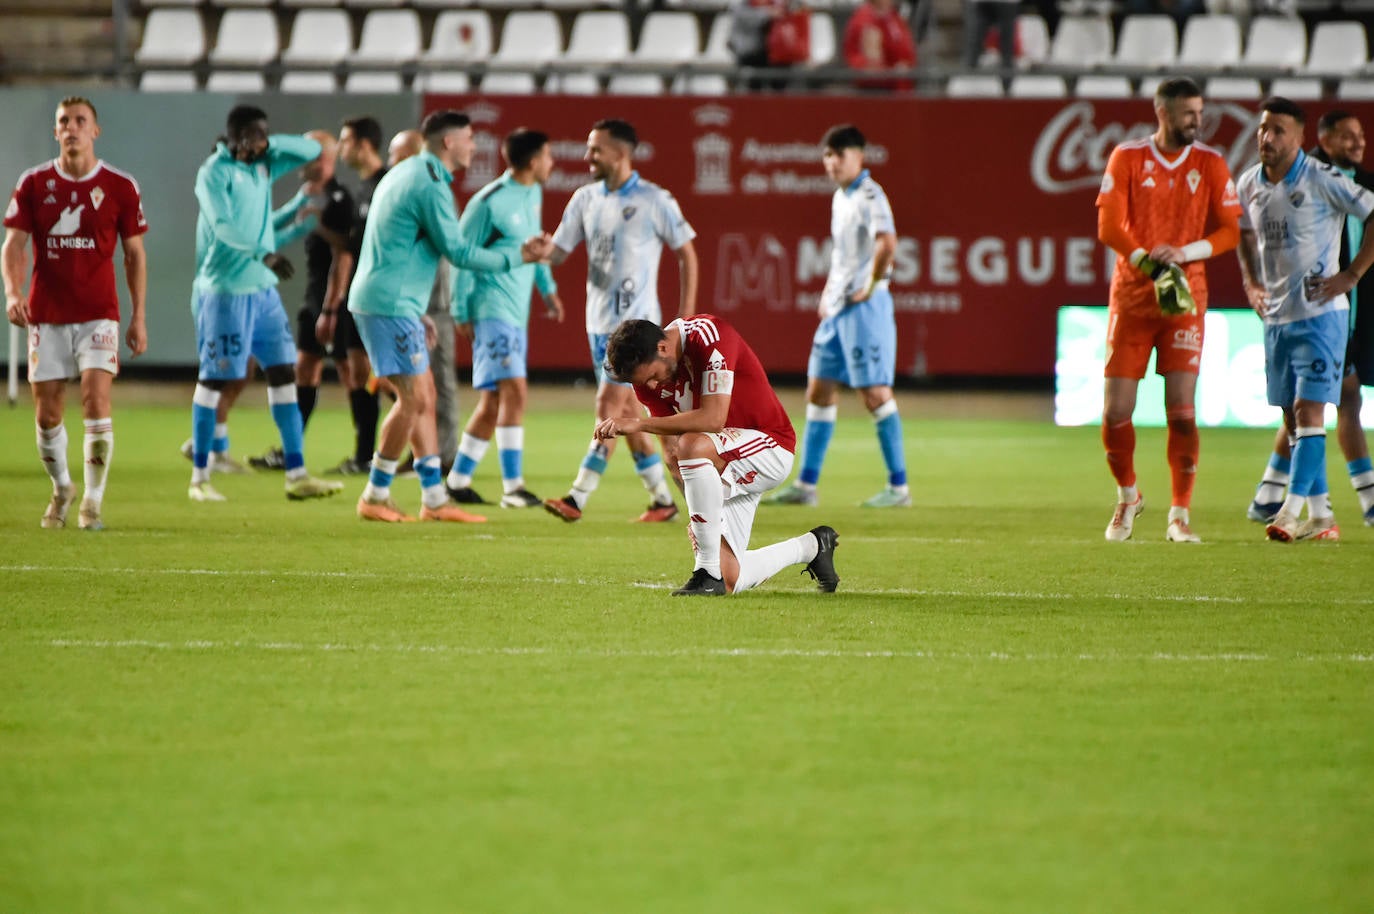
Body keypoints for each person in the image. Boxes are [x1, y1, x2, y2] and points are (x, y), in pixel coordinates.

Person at [349, 109, 551, 523]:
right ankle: (374, 494)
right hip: (388, 304)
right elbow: (457, 252)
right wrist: (519, 256)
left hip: (395, 302)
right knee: (414, 400)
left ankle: (434, 500)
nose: (475, 146)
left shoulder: (408, 173)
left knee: (426, 398)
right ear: (448, 143)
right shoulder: (429, 184)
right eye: (470, 138)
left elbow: (396, 247)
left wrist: (417, 309)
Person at [1092, 77, 1241, 543]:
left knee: (1181, 411)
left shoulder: (1211, 163)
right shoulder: (1128, 157)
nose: (1197, 121)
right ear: (1163, 113)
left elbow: (1230, 232)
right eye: (1188, 114)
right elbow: (1108, 226)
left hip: (1185, 299)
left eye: (1199, 112)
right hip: (1134, 298)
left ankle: (1179, 514)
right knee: (1116, 411)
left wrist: (1184, 252)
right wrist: (1146, 263)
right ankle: (1128, 496)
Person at [597, 316, 840, 596]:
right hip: (723, 459)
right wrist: (697, 515)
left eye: (652, 376)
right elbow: (672, 457)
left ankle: (705, 571)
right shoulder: (645, 381)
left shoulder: (709, 337)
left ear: (663, 348)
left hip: (770, 446)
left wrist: (638, 423)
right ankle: (812, 546)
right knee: (729, 578)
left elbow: (713, 419)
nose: (651, 387)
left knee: (691, 444)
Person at [541, 119, 698, 524]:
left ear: (621, 154)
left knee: (608, 405)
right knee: (629, 414)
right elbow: (558, 252)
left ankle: (577, 497)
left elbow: (688, 253)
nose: (587, 156)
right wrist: (539, 249)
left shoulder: (654, 199)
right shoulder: (584, 198)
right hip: (596, 325)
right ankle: (663, 501)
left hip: (635, 330)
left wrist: (686, 314)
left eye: (596, 150)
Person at [2, 95, 148, 530]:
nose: (71, 128)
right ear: (55, 132)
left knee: (95, 399)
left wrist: (138, 316)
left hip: (99, 314)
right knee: (47, 414)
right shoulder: (34, 183)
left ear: (95, 130)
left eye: (80, 120)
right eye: (63, 121)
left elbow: (135, 254)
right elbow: (13, 244)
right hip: (45, 315)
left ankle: (93, 502)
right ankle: (62, 486)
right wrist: (12, 293)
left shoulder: (121, 187)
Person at [187, 104, 343, 503]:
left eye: (265, 135)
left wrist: (294, 213)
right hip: (225, 291)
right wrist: (264, 255)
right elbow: (225, 228)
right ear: (235, 136)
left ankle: (296, 473)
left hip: (262, 292)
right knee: (215, 378)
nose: (262, 143)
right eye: (254, 135)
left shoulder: (262, 164)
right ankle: (200, 478)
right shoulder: (213, 173)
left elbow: (309, 152)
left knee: (283, 374)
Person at [1235, 96, 1374, 542]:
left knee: (1307, 410)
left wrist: (1351, 274)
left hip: (1323, 315)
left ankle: (1288, 513)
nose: (1267, 137)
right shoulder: (1248, 184)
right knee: (1293, 421)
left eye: (1278, 130)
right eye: (1262, 129)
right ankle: (1321, 517)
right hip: (1277, 319)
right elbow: (1241, 230)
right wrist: (1251, 283)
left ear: (1298, 139)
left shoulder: (1321, 177)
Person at [769, 125, 909, 509]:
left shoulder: (869, 194)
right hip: (838, 308)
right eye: (827, 155)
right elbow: (844, 256)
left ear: (859, 157)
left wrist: (871, 283)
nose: (831, 163)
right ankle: (806, 487)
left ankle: (899, 489)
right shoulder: (841, 196)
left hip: (865, 307)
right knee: (819, 389)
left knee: (875, 393)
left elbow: (888, 242)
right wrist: (830, 295)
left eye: (839, 155)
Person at [445, 128, 565, 508]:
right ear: (533, 161)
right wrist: (460, 310)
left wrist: (548, 289)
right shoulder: (488, 203)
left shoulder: (533, 192)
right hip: (490, 307)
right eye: (548, 156)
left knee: (494, 400)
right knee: (515, 390)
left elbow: (534, 246)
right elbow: (461, 256)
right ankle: (513, 487)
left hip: (516, 311)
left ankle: (458, 480)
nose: (552, 163)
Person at [269, 115, 386, 476]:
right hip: (316, 296)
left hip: (342, 300)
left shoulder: (340, 198)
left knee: (358, 372)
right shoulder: (318, 195)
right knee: (306, 369)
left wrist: (332, 309)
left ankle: (367, 453)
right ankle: (292, 450)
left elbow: (345, 254)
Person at [179, 181, 320, 476]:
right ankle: (210, 453)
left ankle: (215, 446)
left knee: (242, 372)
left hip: (237, 294)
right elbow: (255, 244)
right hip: (221, 298)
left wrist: (296, 205)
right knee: (223, 374)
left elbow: (263, 228)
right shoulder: (221, 217)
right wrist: (297, 228)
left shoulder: (231, 212)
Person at [389, 126, 460, 473]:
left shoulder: (430, 189)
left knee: (435, 386)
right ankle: (423, 456)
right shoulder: (410, 187)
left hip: (432, 306)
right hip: (407, 305)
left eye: (398, 155)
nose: (393, 162)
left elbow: (453, 253)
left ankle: (443, 457)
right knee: (413, 388)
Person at [842, 0, 917, 91]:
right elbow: (872, 66)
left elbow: (906, 51)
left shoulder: (894, 17)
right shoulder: (864, 20)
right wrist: (893, 71)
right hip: (879, 92)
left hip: (902, 87)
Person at [962, 0, 1020, 71]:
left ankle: (1008, 75)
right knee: (975, 38)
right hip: (981, 3)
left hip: (1007, 3)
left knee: (1007, 42)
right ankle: (969, 70)